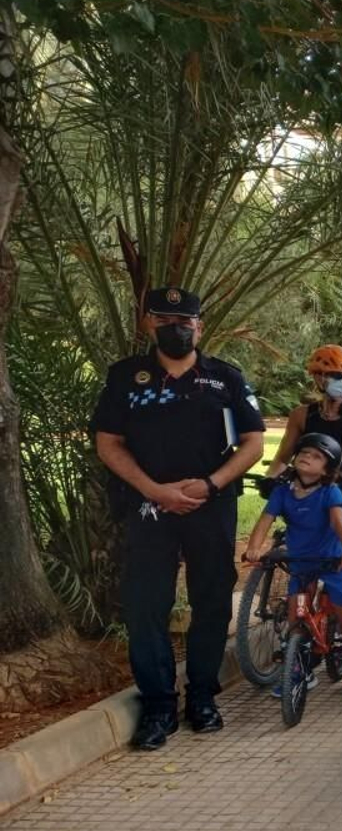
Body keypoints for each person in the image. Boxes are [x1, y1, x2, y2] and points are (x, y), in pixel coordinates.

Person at [92, 285, 265, 748]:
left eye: (185, 322)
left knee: (211, 601)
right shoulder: (126, 377)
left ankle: (203, 697)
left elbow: (252, 441)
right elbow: (108, 441)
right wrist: (154, 490)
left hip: (211, 504)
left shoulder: (224, 378)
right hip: (148, 507)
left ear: (200, 327)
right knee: (147, 606)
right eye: (165, 320)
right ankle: (158, 707)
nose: (176, 329)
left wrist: (210, 484)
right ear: (149, 323)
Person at [243, 433, 342, 699]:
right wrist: (255, 547)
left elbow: (338, 524)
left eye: (316, 456)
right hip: (301, 562)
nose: (307, 457)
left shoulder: (330, 492)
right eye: (304, 452)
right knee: (297, 613)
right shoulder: (283, 492)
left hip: (333, 559)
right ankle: (297, 670)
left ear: (328, 469)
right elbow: (265, 519)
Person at [264, 345, 342, 614]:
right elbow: (283, 456)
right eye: (336, 376)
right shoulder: (302, 415)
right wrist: (271, 479)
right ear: (318, 378)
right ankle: (302, 634)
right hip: (315, 499)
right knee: (306, 574)